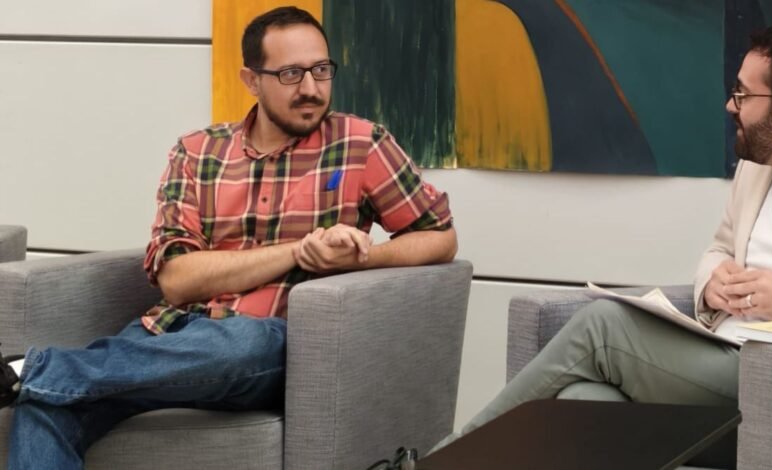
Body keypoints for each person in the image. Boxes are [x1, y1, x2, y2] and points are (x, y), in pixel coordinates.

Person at [434, 23, 772, 452]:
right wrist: (710, 282)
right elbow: (720, 248)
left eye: (743, 95)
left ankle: (443, 461)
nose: (730, 106)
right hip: (725, 361)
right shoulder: (757, 170)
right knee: (583, 400)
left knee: (604, 324)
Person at [0, 6, 456, 468]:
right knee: (46, 407)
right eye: (290, 73)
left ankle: (27, 370)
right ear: (251, 79)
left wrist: (358, 260)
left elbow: (439, 237)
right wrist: (299, 250)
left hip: (274, 346)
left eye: (322, 70)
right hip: (173, 336)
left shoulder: (361, 144)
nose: (311, 89)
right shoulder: (198, 152)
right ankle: (36, 379)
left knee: (243, 343)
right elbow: (177, 280)